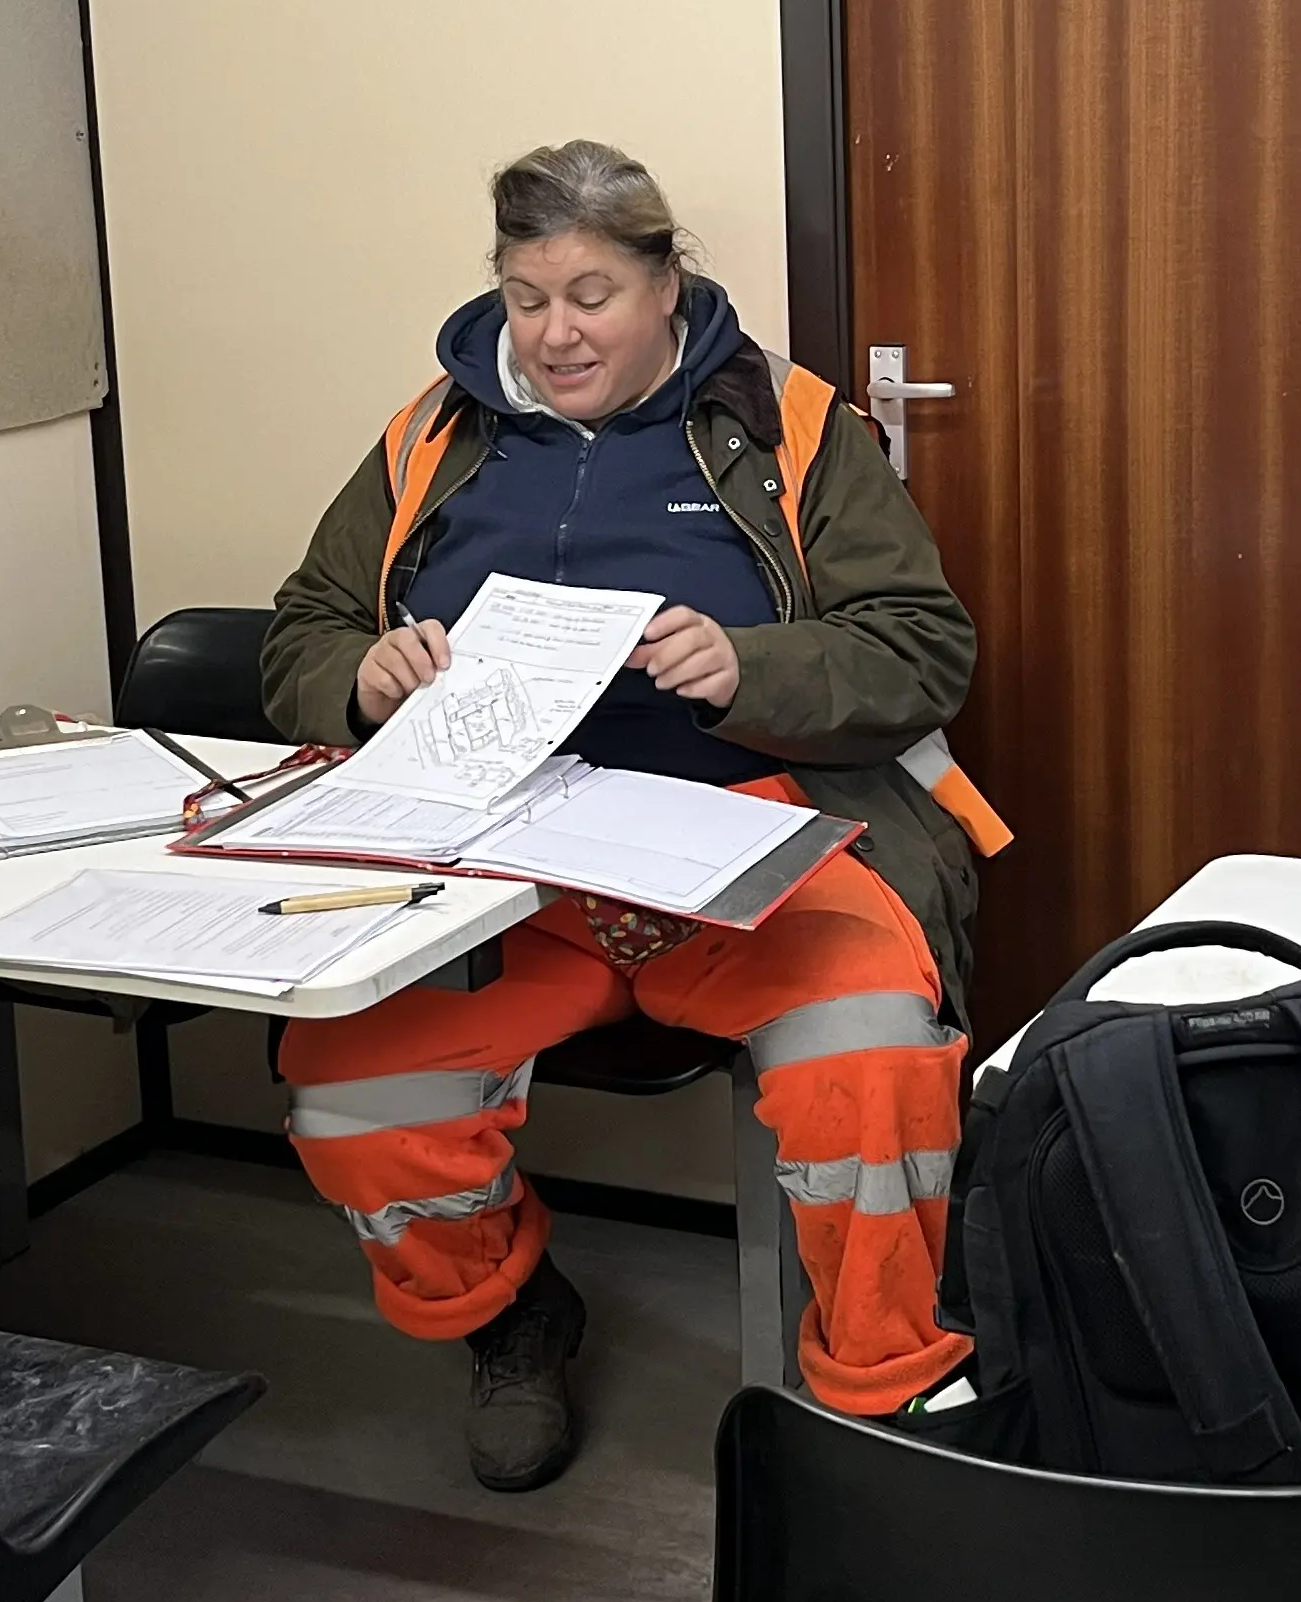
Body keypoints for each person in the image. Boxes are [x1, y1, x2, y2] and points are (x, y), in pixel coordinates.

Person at [260, 141, 998, 1491]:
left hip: (758, 829)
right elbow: (302, 627)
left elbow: (921, 649)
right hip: (502, 858)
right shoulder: (432, 431)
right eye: (524, 294)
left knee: (871, 1060)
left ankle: (878, 1397)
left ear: (669, 284)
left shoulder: (793, 425)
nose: (552, 333)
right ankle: (509, 1317)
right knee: (348, 1081)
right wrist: (354, 677)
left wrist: (750, 666)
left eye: (592, 292)